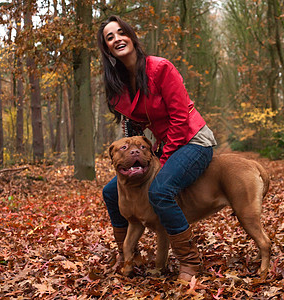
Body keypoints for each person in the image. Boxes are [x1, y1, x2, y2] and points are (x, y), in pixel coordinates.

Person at [97, 15, 217, 281]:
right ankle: (127, 254)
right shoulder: (118, 87)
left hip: (194, 139)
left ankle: (189, 262)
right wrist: (129, 150)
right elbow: (133, 132)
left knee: (160, 190)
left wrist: (163, 156)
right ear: (107, 49)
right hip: (167, 144)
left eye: (120, 32)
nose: (117, 38)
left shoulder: (161, 68)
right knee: (109, 191)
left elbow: (180, 117)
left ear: (131, 36)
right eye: (109, 37)